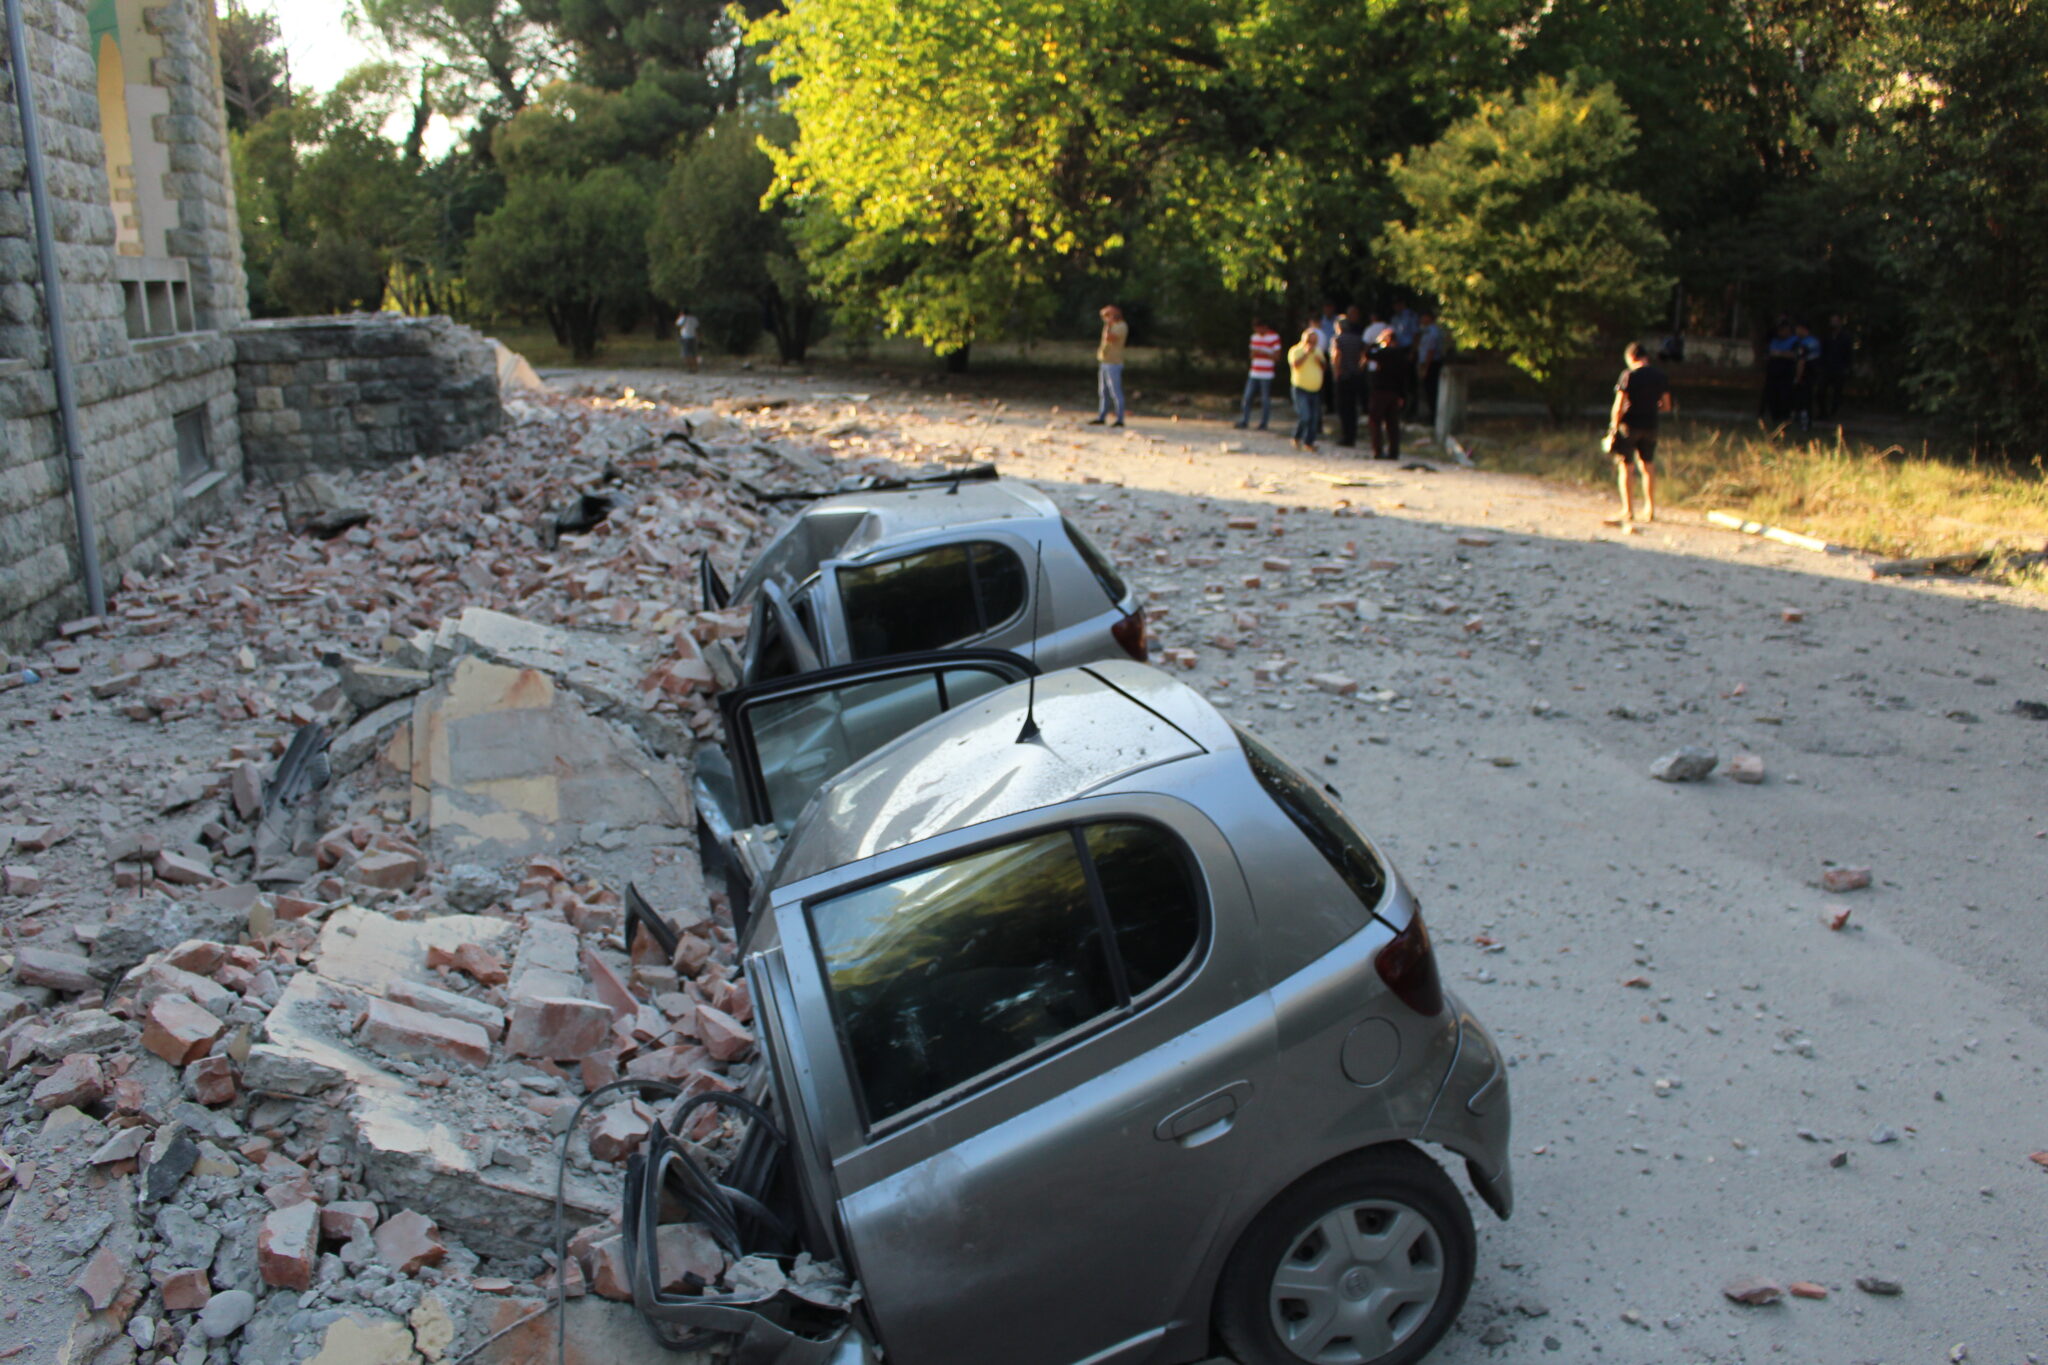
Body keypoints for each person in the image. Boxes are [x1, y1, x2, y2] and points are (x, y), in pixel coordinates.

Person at [1606, 340, 1675, 528]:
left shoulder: (1628, 375)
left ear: (1631, 357)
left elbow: (1619, 405)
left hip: (1629, 426)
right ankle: (1650, 509)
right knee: (1648, 465)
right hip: (1651, 425)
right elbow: (1667, 406)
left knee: (1626, 466)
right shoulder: (1660, 376)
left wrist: (1613, 427)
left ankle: (1628, 509)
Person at [1365, 330, 1412, 460]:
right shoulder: (1402, 355)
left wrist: (1375, 344)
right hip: (1395, 393)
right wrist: (1402, 396)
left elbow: (1368, 354)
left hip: (1380, 391)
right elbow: (1404, 378)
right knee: (1393, 424)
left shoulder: (1383, 353)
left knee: (1375, 421)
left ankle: (1378, 450)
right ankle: (1394, 452)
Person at [1234, 318, 1283, 430]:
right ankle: (1245, 420)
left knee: (1265, 399)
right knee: (1247, 397)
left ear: (1264, 327)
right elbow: (1251, 354)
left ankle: (1264, 423)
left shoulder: (1274, 337)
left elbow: (1277, 356)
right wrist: (1255, 353)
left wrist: (1264, 352)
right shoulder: (1254, 337)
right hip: (1254, 372)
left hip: (1267, 373)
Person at [1329, 315, 1367, 448]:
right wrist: (1360, 368)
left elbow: (1336, 356)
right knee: (1353, 407)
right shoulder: (1358, 339)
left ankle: (1345, 436)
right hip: (1356, 376)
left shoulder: (1338, 339)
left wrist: (1336, 372)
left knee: (1343, 407)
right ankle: (1353, 435)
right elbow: (1364, 355)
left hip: (1343, 376)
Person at [1287, 326, 1325, 453]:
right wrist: (1306, 354)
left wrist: (1319, 361)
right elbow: (1295, 365)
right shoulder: (1295, 350)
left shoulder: (1318, 351)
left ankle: (1309, 442)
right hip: (1300, 388)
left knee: (1314, 418)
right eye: (1309, 341)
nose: (1312, 344)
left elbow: (1324, 367)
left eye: (1314, 342)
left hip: (1315, 389)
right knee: (1305, 416)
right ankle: (1297, 437)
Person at [1089, 305, 1128, 427]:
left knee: (1115, 392)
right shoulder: (1110, 326)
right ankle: (1101, 416)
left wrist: (1109, 326)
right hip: (1105, 361)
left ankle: (1120, 419)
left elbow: (1109, 338)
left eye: (1107, 316)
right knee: (1103, 391)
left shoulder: (1121, 326)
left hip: (1114, 363)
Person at [1816, 315, 1854, 421]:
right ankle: (1823, 413)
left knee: (1837, 392)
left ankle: (1834, 413)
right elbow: (1822, 352)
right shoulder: (1826, 336)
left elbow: (1849, 354)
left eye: (1835, 321)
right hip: (1826, 368)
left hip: (1839, 368)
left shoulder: (1845, 337)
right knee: (1821, 390)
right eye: (1832, 321)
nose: (1833, 323)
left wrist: (1847, 367)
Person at [1761, 318, 1798, 425]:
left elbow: (1795, 355)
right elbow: (1767, 354)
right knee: (1772, 396)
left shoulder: (1794, 341)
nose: (1780, 332)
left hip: (1786, 374)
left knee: (1785, 396)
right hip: (1773, 373)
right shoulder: (1774, 340)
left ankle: (1785, 417)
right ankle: (1774, 417)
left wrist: (1779, 354)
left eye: (1783, 329)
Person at [1415, 312, 1449, 423]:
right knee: (1429, 391)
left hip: (1432, 363)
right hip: (1429, 362)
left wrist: (1425, 367)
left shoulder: (1432, 331)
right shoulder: (1426, 331)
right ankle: (1432, 414)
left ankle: (1434, 416)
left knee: (1432, 390)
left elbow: (1431, 350)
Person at [674, 307, 700, 373]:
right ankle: (696, 367)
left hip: (685, 337)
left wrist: (680, 316)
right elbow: (697, 327)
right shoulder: (694, 318)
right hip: (693, 337)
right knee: (694, 354)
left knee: (686, 354)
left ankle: (690, 368)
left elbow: (677, 325)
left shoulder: (682, 318)